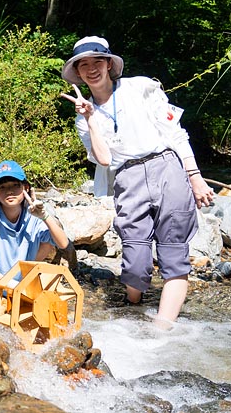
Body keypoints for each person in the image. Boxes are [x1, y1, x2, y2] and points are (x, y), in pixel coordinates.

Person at [60, 36, 215, 323]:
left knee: (173, 251)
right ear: (78, 73)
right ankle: (134, 302)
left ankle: (161, 329)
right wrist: (91, 118)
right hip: (127, 176)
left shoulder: (141, 87)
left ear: (109, 64)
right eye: (84, 65)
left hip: (167, 166)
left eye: (97, 62)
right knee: (135, 257)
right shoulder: (82, 118)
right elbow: (104, 159)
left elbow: (175, 133)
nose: (91, 69)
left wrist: (194, 176)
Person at [0, 161, 70, 289]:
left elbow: (63, 243)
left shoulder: (36, 210)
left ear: (26, 187)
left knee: (49, 236)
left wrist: (44, 217)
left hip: (25, 273)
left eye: (15, 185)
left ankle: (28, 277)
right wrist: (7, 282)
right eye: (2, 187)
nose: (9, 192)